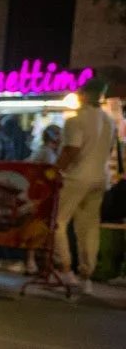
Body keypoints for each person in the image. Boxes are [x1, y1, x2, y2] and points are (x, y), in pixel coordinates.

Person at [54, 79, 116, 291]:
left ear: (84, 94)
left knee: (58, 222)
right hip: (100, 177)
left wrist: (56, 170)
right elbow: (108, 151)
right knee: (89, 227)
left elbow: (71, 149)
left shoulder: (76, 120)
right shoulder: (109, 121)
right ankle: (86, 275)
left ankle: (66, 269)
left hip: (76, 177)